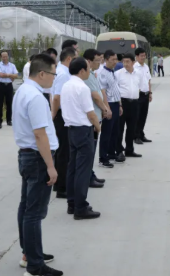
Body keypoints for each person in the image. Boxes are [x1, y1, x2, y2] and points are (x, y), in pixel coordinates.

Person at [13, 54, 63, 276]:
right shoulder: (35, 97)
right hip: (37, 158)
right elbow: (40, 134)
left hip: (28, 156)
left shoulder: (23, 91)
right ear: (42, 73)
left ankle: (29, 253)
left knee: (26, 207)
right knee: (34, 213)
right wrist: (50, 166)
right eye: (53, 74)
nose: (54, 78)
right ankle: (35, 265)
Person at [61, 57, 102, 220]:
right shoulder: (82, 87)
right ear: (82, 70)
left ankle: (72, 203)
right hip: (83, 130)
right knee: (83, 170)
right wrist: (98, 127)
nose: (89, 71)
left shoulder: (65, 85)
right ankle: (80, 207)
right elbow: (91, 113)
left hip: (71, 130)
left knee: (72, 168)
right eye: (88, 69)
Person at [51, 47, 78, 198]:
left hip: (63, 114)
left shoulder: (64, 72)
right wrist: (53, 115)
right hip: (61, 115)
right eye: (75, 58)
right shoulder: (62, 74)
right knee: (63, 152)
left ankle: (60, 184)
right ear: (69, 59)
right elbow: (56, 98)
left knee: (63, 150)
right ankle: (62, 187)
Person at [82, 49, 109, 187]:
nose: (100, 63)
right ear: (89, 61)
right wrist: (105, 108)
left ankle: (90, 174)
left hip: (96, 117)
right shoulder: (87, 76)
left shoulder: (92, 74)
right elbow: (95, 96)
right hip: (91, 120)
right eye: (97, 61)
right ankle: (88, 178)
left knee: (91, 151)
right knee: (89, 152)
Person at [98, 50, 124, 166]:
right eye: (113, 59)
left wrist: (119, 105)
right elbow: (103, 92)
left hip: (115, 104)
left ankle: (111, 153)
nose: (115, 62)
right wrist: (107, 108)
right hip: (109, 104)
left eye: (116, 59)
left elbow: (115, 89)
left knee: (115, 131)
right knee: (106, 132)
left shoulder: (113, 72)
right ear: (106, 59)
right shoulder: (102, 73)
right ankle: (103, 158)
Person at [115, 53, 143, 158]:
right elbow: (116, 90)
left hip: (134, 103)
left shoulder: (138, 73)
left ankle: (129, 150)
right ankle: (118, 151)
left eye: (128, 62)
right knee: (120, 128)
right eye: (124, 62)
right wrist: (119, 104)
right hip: (123, 103)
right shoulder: (118, 74)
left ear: (133, 62)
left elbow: (139, 87)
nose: (125, 64)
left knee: (132, 128)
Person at [134, 48, 153, 144]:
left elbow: (148, 80)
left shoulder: (146, 67)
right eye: (141, 56)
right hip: (138, 95)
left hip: (146, 94)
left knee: (143, 116)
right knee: (137, 117)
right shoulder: (134, 68)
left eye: (144, 55)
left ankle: (141, 134)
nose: (143, 57)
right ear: (137, 57)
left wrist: (150, 93)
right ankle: (136, 136)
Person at [0, 51, 19, 126]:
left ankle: (9, 120)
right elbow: (1, 75)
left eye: (6, 56)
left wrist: (7, 74)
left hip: (9, 85)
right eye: (3, 57)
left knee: (9, 103)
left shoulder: (12, 65)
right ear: (0, 57)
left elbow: (16, 75)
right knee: (0, 104)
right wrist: (11, 75)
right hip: (1, 85)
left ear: (8, 57)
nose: (5, 58)